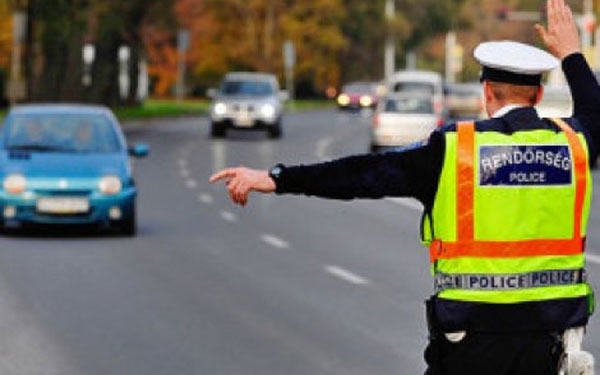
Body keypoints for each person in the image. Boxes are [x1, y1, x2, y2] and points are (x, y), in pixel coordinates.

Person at [210, 0, 597, 374]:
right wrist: (572, 55)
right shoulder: (574, 145)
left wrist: (277, 178)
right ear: (540, 95)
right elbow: (595, 113)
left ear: (486, 94)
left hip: (469, 342)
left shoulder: (452, 150)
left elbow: (362, 174)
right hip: (550, 342)